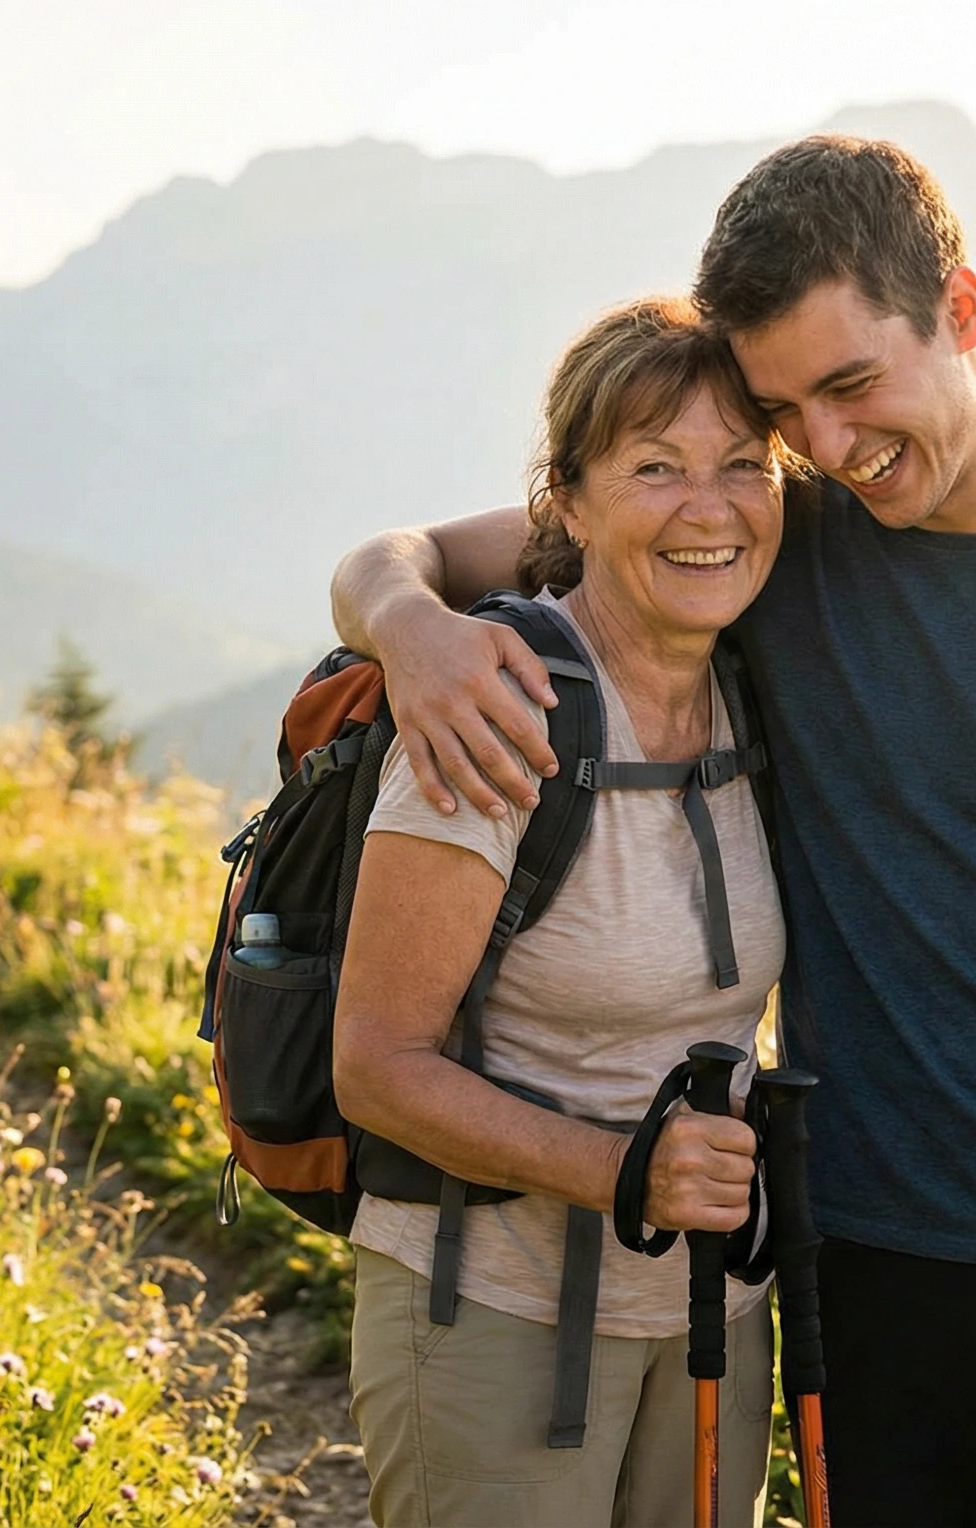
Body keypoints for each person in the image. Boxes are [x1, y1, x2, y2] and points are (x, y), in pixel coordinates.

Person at [331, 135, 976, 1525]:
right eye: (790, 412)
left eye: (852, 386)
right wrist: (409, 630)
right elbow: (412, 554)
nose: (834, 450)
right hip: (864, 1264)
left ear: (960, 314)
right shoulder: (771, 535)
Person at [332, 296, 788, 1526]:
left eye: (743, 464)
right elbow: (374, 1067)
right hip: (488, 1316)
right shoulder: (497, 709)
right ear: (567, 505)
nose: (710, 506)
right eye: (655, 467)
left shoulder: (764, 682)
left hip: (712, 1315)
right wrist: (623, 1171)